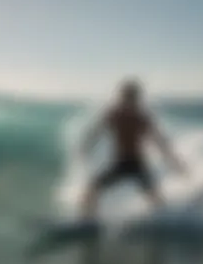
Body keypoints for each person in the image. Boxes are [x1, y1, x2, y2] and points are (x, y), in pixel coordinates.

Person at [80, 78, 186, 222]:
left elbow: (160, 142)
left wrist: (174, 162)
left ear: (136, 98)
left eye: (131, 97)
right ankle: (87, 220)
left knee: (154, 196)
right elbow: (96, 131)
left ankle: (166, 219)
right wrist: (86, 145)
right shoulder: (114, 114)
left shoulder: (142, 118)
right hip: (120, 163)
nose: (128, 100)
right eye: (125, 96)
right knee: (93, 187)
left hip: (137, 163)